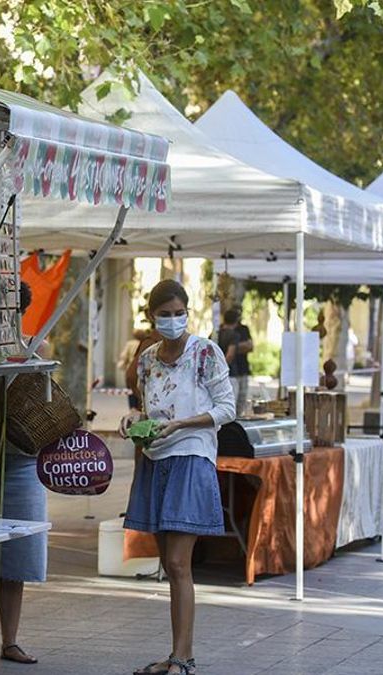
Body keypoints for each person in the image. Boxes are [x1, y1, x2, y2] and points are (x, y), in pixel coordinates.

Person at [120, 280, 236, 675]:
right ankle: (175, 655)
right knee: (169, 566)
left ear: (188, 312)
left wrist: (184, 424)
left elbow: (227, 408)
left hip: (191, 457)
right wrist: (133, 423)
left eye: (177, 313)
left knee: (178, 562)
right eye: (163, 314)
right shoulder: (148, 359)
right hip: (155, 460)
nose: (171, 320)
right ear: (151, 317)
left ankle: (183, 658)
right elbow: (147, 409)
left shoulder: (206, 352)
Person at [0, 282, 46, 665]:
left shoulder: (35, 347)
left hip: (23, 458)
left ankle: (10, 640)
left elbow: (48, 406)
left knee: (19, 550)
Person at [215, 307, 253, 417]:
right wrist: (224, 367)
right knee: (233, 405)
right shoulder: (233, 335)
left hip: (218, 373)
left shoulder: (216, 333)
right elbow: (230, 354)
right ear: (236, 321)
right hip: (231, 373)